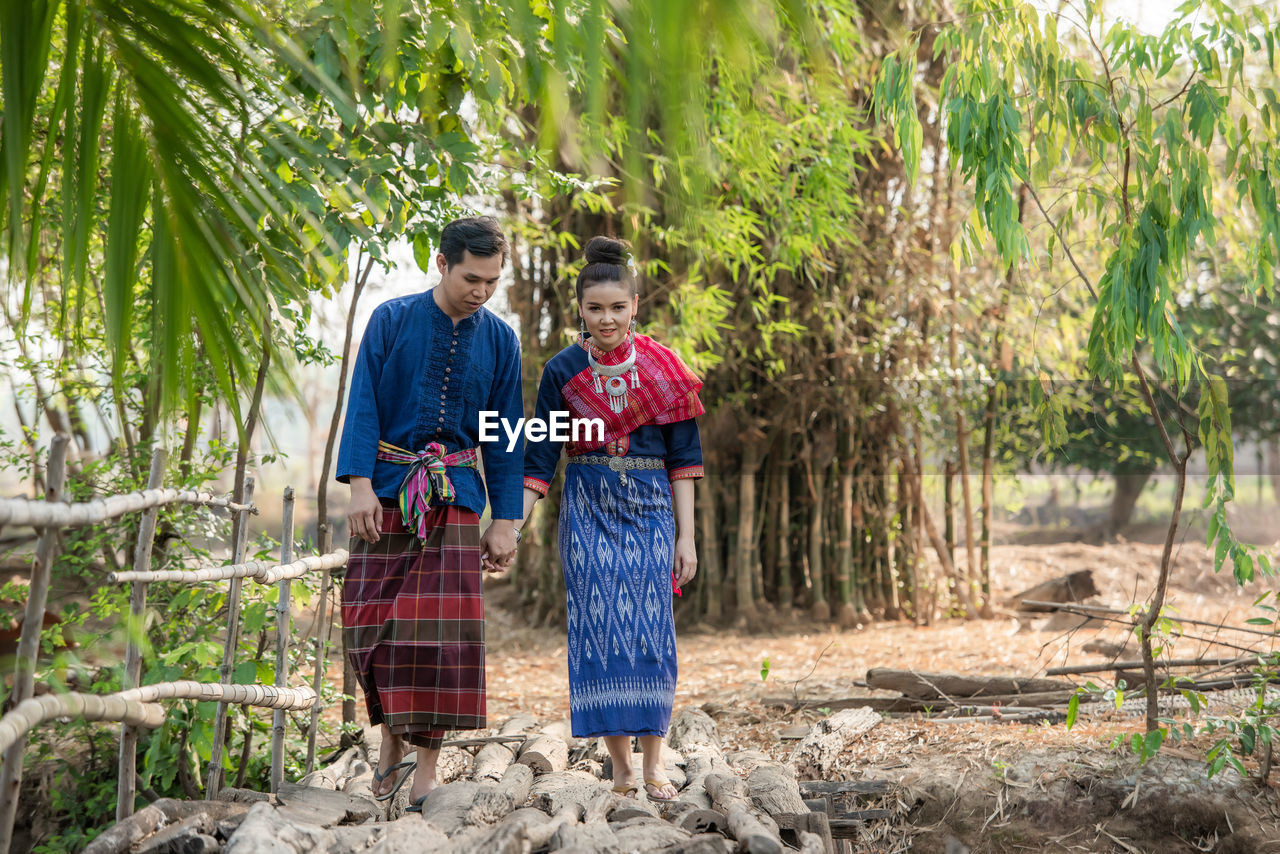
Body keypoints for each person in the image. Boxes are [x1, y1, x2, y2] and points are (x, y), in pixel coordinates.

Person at [336, 216, 524, 811]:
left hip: (457, 502)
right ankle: (389, 743)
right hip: (387, 494)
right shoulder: (390, 320)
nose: (482, 291)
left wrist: (505, 519)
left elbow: (508, 436)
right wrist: (360, 483)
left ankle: (424, 772)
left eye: (493, 281)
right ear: (442, 264)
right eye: (473, 277)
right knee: (370, 630)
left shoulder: (502, 341)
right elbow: (363, 401)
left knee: (435, 641)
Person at [521, 236, 703, 801]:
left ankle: (655, 764)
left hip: (650, 509)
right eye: (595, 308)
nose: (607, 318)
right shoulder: (563, 371)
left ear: (636, 305)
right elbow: (539, 455)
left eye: (617, 308)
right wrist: (515, 523)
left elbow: (685, 461)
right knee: (597, 630)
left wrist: (686, 538)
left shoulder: (665, 369)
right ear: (580, 308)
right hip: (588, 510)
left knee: (651, 628)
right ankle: (621, 769)